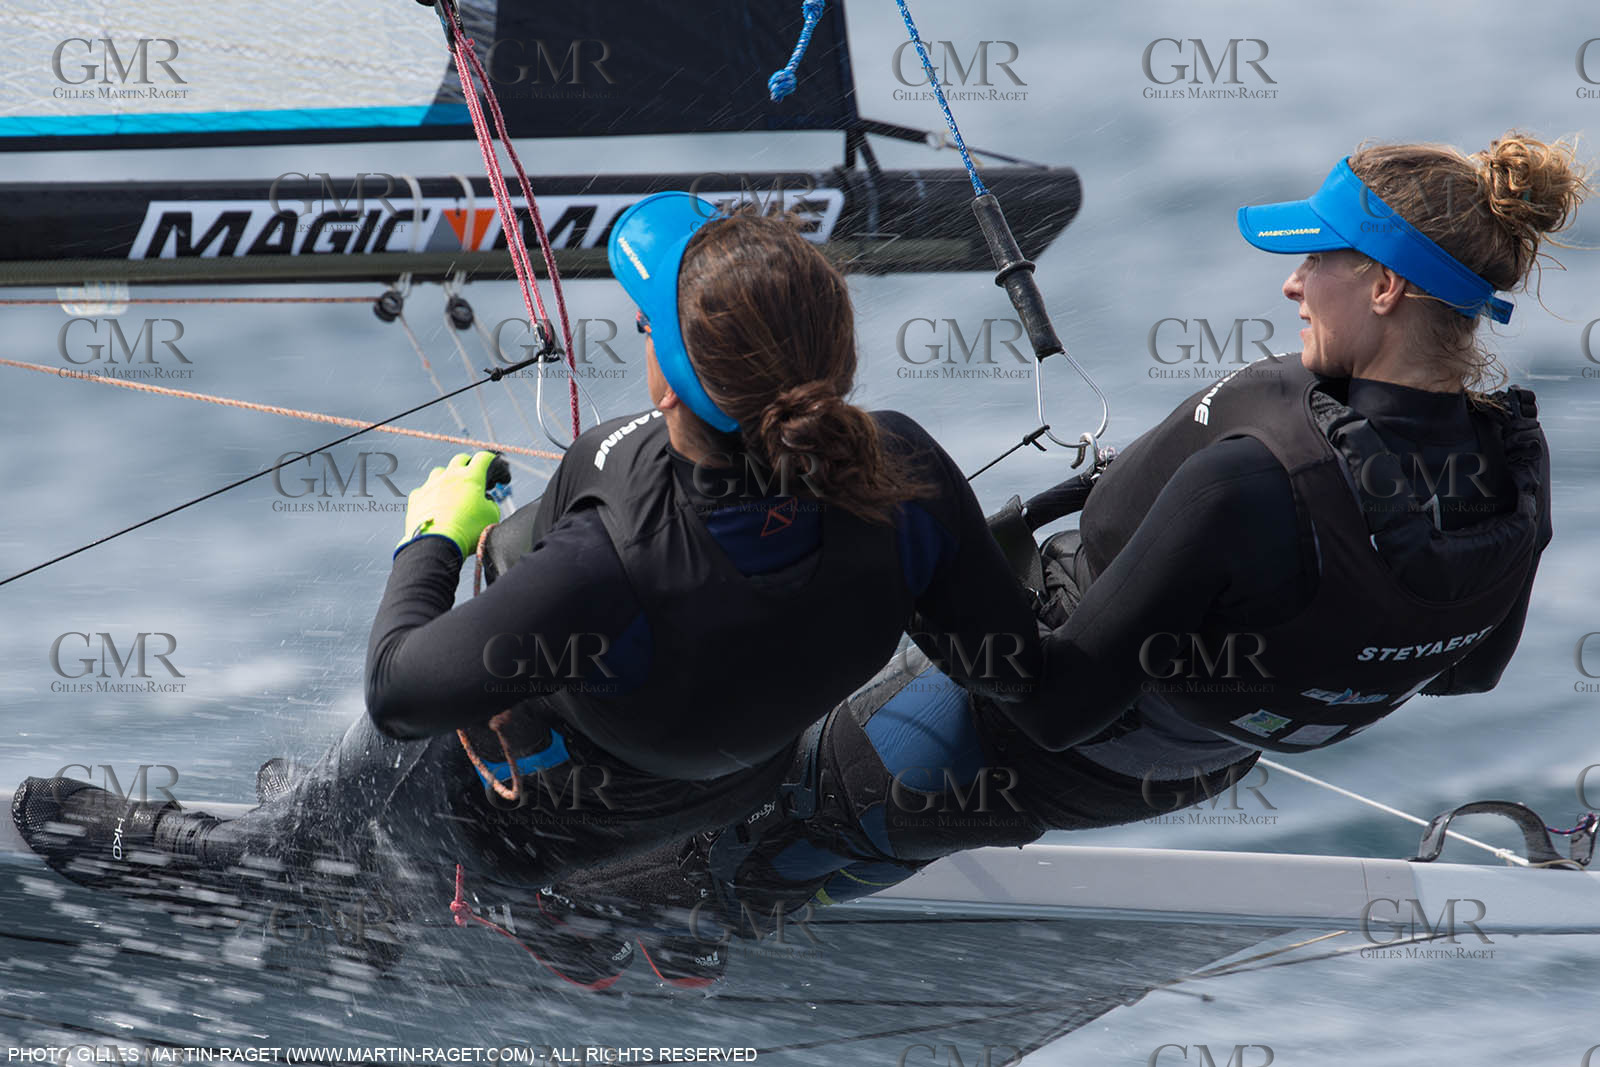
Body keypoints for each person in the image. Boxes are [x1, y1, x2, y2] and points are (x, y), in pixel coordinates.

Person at [525, 132, 1585, 986]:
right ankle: (690, 937)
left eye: (1313, 259)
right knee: (752, 879)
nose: (1292, 286)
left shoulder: (1255, 478)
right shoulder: (1507, 466)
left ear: (1387, 288)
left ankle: (501, 929)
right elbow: (1466, 667)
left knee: (626, 867)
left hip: (962, 742)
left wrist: (925, 553)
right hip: (1169, 776)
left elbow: (1056, 700)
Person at [11, 195, 1048, 957]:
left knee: (402, 727)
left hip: (510, 826)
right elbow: (1014, 667)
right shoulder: (903, 476)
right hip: (717, 793)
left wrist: (431, 538)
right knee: (538, 640)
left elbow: (400, 687)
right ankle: (578, 900)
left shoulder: (619, 555)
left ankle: (299, 867)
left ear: (670, 368)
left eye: (646, 325)